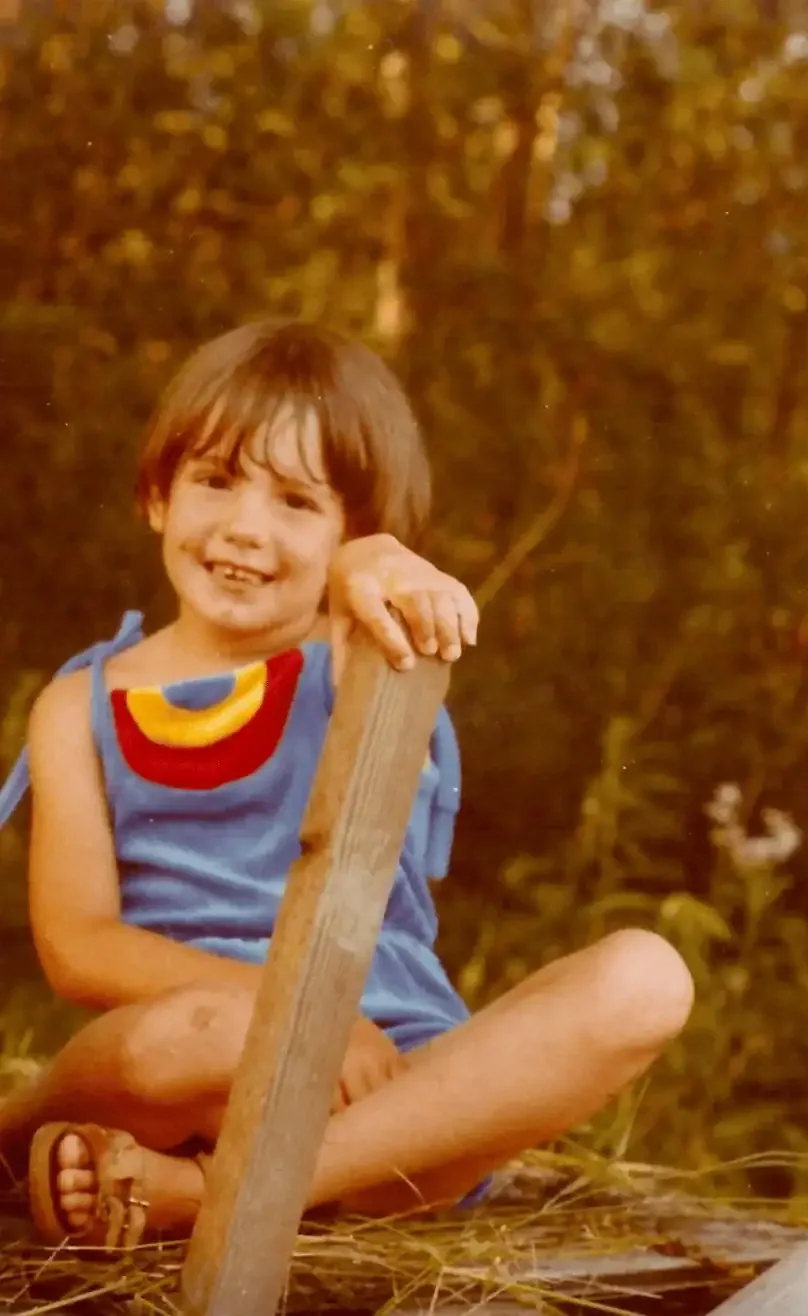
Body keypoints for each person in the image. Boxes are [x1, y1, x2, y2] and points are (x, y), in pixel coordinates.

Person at [0, 319, 694, 1248]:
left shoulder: (362, 657)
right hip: (197, 1062)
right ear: (157, 497)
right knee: (177, 1041)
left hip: (385, 1110)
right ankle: (17, 1142)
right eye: (215, 480)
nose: (246, 527)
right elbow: (79, 945)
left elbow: (398, 595)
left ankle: (210, 1201)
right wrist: (290, 1019)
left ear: (352, 539)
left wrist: (373, 565)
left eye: (296, 501)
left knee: (648, 978)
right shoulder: (79, 704)